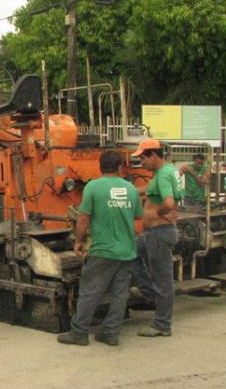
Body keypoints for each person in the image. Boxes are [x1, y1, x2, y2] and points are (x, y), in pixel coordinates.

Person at [57, 150, 142, 347]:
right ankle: (111, 333)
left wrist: (78, 240)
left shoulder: (93, 187)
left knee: (90, 292)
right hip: (127, 250)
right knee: (120, 293)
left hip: (103, 251)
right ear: (121, 167)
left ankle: (79, 333)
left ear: (100, 166)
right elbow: (137, 215)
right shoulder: (130, 188)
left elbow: (84, 217)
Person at [131, 138, 181, 338]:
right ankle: (148, 292)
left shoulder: (163, 175)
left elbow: (168, 202)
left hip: (160, 233)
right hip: (154, 234)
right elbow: (148, 190)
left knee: (163, 280)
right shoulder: (164, 172)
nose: (141, 163)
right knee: (131, 251)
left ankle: (162, 325)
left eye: (143, 158)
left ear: (153, 155)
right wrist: (124, 190)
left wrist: (159, 213)